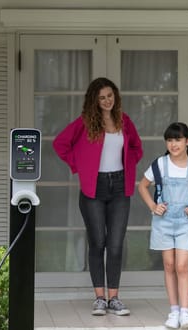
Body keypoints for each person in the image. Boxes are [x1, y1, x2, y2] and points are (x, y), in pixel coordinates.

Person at [53, 77, 143, 316]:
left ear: (115, 96)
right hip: (93, 189)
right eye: (102, 97)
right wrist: (79, 166)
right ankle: (100, 298)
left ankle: (114, 298)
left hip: (120, 187)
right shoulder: (84, 123)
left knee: (115, 245)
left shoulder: (124, 121)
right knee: (97, 243)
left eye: (110, 96)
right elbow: (60, 144)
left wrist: (128, 165)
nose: (107, 101)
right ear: (94, 100)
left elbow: (136, 148)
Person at [137, 122, 188, 329]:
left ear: (187, 141)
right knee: (169, 265)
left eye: (178, 139)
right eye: (170, 140)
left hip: (186, 223)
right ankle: (173, 311)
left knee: (181, 266)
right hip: (163, 222)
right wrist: (153, 206)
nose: (174, 144)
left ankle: (185, 312)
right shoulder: (160, 164)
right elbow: (142, 186)